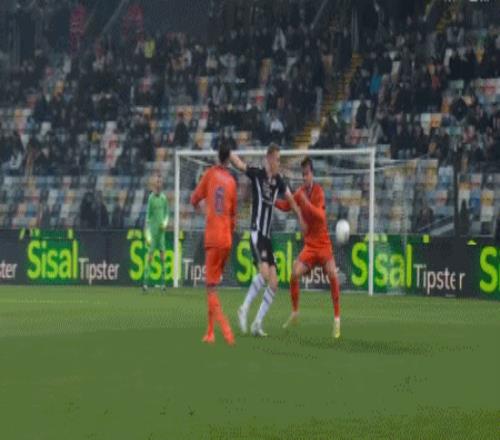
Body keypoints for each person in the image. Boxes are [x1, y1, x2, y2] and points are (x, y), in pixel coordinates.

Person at [230, 144, 305, 337]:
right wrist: (228, 152)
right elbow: (240, 165)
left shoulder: (278, 180)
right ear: (269, 158)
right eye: (277, 159)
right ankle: (243, 308)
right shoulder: (257, 174)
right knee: (264, 274)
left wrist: (300, 216)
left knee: (274, 283)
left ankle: (257, 323)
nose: (279, 163)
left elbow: (290, 199)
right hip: (257, 233)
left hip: (267, 237)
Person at [275, 157, 341, 339]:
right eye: (303, 174)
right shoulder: (300, 193)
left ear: (312, 174)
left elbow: (320, 216)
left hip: (323, 244)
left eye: (307, 174)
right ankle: (295, 313)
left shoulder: (318, 192)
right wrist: (271, 200)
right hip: (310, 246)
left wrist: (305, 203)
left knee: (332, 274)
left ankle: (337, 319)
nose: (305, 177)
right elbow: (286, 206)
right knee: (294, 273)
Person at [190, 143, 237, 345]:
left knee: (210, 289)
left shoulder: (209, 174)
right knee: (213, 286)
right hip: (227, 240)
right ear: (229, 159)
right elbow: (234, 217)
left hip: (213, 238)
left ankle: (226, 331)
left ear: (218, 156)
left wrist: (203, 211)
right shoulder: (232, 182)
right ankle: (210, 333)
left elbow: (193, 199)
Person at [143, 174, 170, 292]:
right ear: (154, 184)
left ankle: (163, 283)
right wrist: (147, 233)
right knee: (150, 257)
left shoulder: (164, 198)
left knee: (163, 258)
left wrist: (165, 223)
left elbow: (167, 214)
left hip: (161, 233)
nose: (159, 184)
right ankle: (145, 283)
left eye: (160, 182)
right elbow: (148, 216)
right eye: (157, 182)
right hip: (153, 233)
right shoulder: (151, 198)